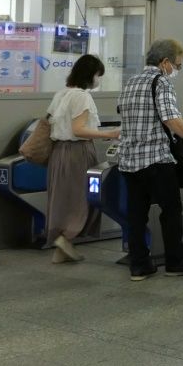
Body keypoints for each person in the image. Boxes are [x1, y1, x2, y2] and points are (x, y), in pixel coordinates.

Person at [116, 39, 183, 280]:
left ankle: (139, 265)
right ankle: (176, 261)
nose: (176, 69)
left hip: (129, 160)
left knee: (137, 213)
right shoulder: (161, 81)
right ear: (164, 62)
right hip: (156, 158)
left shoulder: (130, 82)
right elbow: (170, 118)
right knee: (171, 211)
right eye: (177, 65)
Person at [43, 55, 119, 264]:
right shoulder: (82, 97)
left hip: (58, 153)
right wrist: (110, 134)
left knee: (63, 199)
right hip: (78, 153)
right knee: (81, 200)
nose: (99, 80)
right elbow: (79, 130)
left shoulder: (61, 94)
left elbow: (51, 122)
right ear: (90, 75)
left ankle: (62, 247)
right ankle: (64, 239)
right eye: (98, 75)